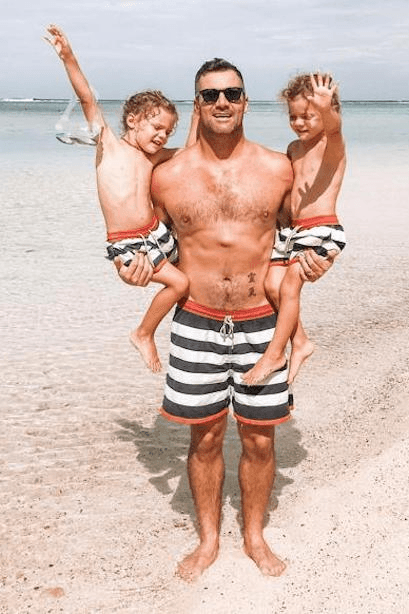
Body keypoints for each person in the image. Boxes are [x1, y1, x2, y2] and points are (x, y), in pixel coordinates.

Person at [118, 58, 335, 580]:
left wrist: (318, 260)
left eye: (232, 94)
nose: (222, 102)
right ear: (197, 104)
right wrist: (132, 269)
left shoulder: (277, 168)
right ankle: (209, 539)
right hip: (196, 321)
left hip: (262, 320)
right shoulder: (166, 176)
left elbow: (303, 234)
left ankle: (254, 536)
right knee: (205, 438)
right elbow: (142, 238)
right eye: (211, 95)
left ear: (245, 102)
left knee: (260, 439)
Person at [45, 24, 193, 372]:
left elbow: (191, 153)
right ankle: (143, 333)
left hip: (157, 232)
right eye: (157, 127)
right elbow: (87, 98)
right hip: (127, 241)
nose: (163, 136)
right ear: (132, 120)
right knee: (180, 282)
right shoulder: (108, 145)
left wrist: (201, 113)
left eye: (168, 131)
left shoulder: (153, 157)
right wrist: (68, 57)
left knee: (193, 277)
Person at [242, 73, 346, 386]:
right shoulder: (293, 148)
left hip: (321, 227)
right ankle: (300, 341)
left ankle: (275, 353)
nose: (299, 123)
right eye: (293, 116)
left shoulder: (331, 145)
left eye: (308, 116)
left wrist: (326, 109)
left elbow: (334, 127)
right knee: (271, 284)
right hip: (292, 231)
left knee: (289, 287)